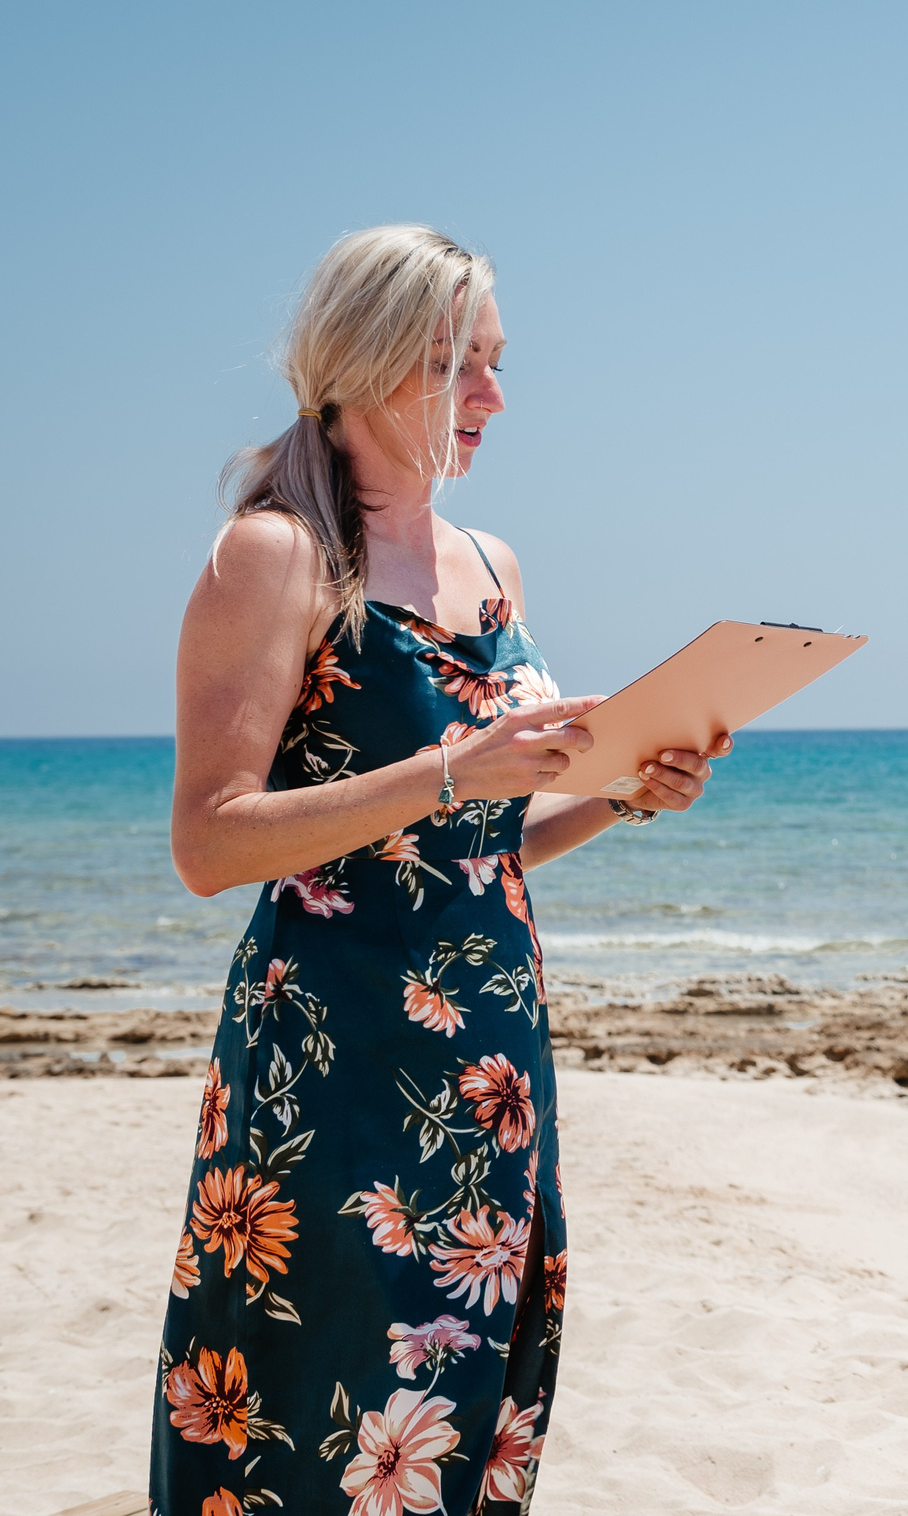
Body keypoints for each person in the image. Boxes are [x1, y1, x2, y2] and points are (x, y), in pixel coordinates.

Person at [154, 225, 728, 1514]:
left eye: (495, 364)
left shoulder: (495, 565)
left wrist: (618, 794)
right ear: (356, 369)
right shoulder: (278, 557)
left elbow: (470, 849)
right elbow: (211, 838)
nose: (492, 398)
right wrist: (458, 768)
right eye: (454, 365)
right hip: (337, 1066)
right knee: (322, 1415)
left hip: (492, 1064)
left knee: (466, 1414)